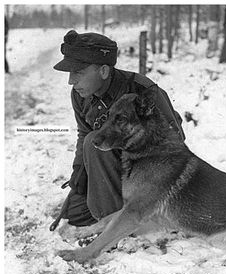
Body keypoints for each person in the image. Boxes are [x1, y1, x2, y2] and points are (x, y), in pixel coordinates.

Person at [52, 30, 185, 228]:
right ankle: (117, 213)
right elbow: (83, 133)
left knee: (94, 142)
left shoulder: (142, 91)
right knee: (76, 214)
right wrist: (78, 170)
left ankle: (114, 225)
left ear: (104, 71)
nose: (71, 81)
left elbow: (175, 142)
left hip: (149, 176)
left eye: (78, 73)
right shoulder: (80, 94)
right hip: (112, 171)